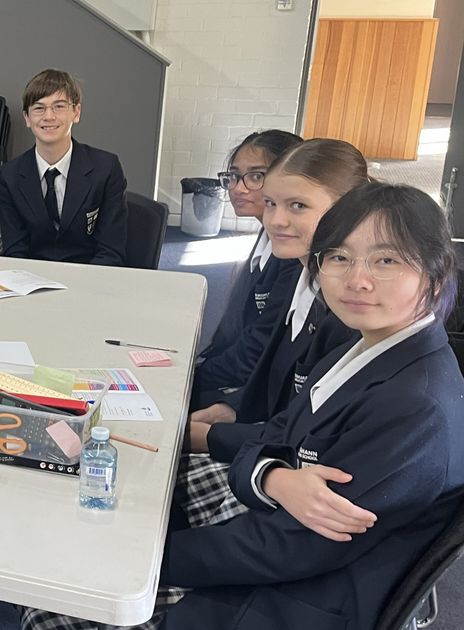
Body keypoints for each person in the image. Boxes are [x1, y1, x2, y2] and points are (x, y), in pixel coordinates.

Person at [24, 182, 464, 630]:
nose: (357, 280)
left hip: (300, 598)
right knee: (131, 491)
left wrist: (145, 561)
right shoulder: (366, 347)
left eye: (386, 261)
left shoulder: (416, 409)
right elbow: (276, 433)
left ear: (435, 271)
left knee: (51, 611)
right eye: (339, 257)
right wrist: (271, 476)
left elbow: (291, 548)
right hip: (282, 542)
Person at [189, 139, 366, 459]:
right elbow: (278, 387)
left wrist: (212, 438)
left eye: (297, 206)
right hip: (269, 434)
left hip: (294, 461)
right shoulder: (304, 275)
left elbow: (312, 434)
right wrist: (231, 408)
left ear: (346, 209)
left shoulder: (349, 308)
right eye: (271, 203)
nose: (275, 220)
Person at [194, 130, 303, 389]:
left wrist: (193, 381)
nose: (238, 188)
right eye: (234, 176)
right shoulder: (267, 237)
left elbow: (255, 353)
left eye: (256, 177)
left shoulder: (293, 259)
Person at [0, 68, 129, 265]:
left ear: (76, 112)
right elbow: (15, 250)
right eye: (39, 108)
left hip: (89, 273)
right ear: (27, 118)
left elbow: (110, 251)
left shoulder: (106, 169)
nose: (49, 116)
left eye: (59, 106)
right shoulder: (10, 176)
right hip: (33, 275)